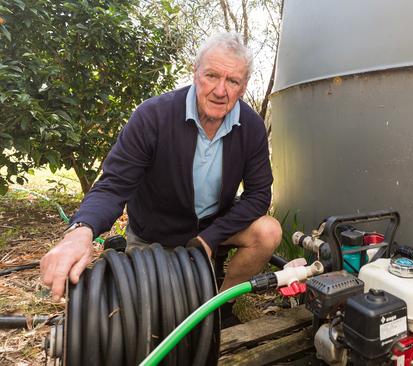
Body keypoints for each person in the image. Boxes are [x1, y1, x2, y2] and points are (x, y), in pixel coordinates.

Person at [40, 32, 281, 302]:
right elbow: (114, 185)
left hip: (215, 229)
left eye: (232, 81)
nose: (220, 90)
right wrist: (81, 231)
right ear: (195, 72)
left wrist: (210, 238)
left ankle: (219, 305)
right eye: (212, 76)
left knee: (268, 231)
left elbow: (259, 195)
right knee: (154, 315)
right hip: (156, 232)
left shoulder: (251, 126)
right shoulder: (153, 116)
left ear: (244, 85)